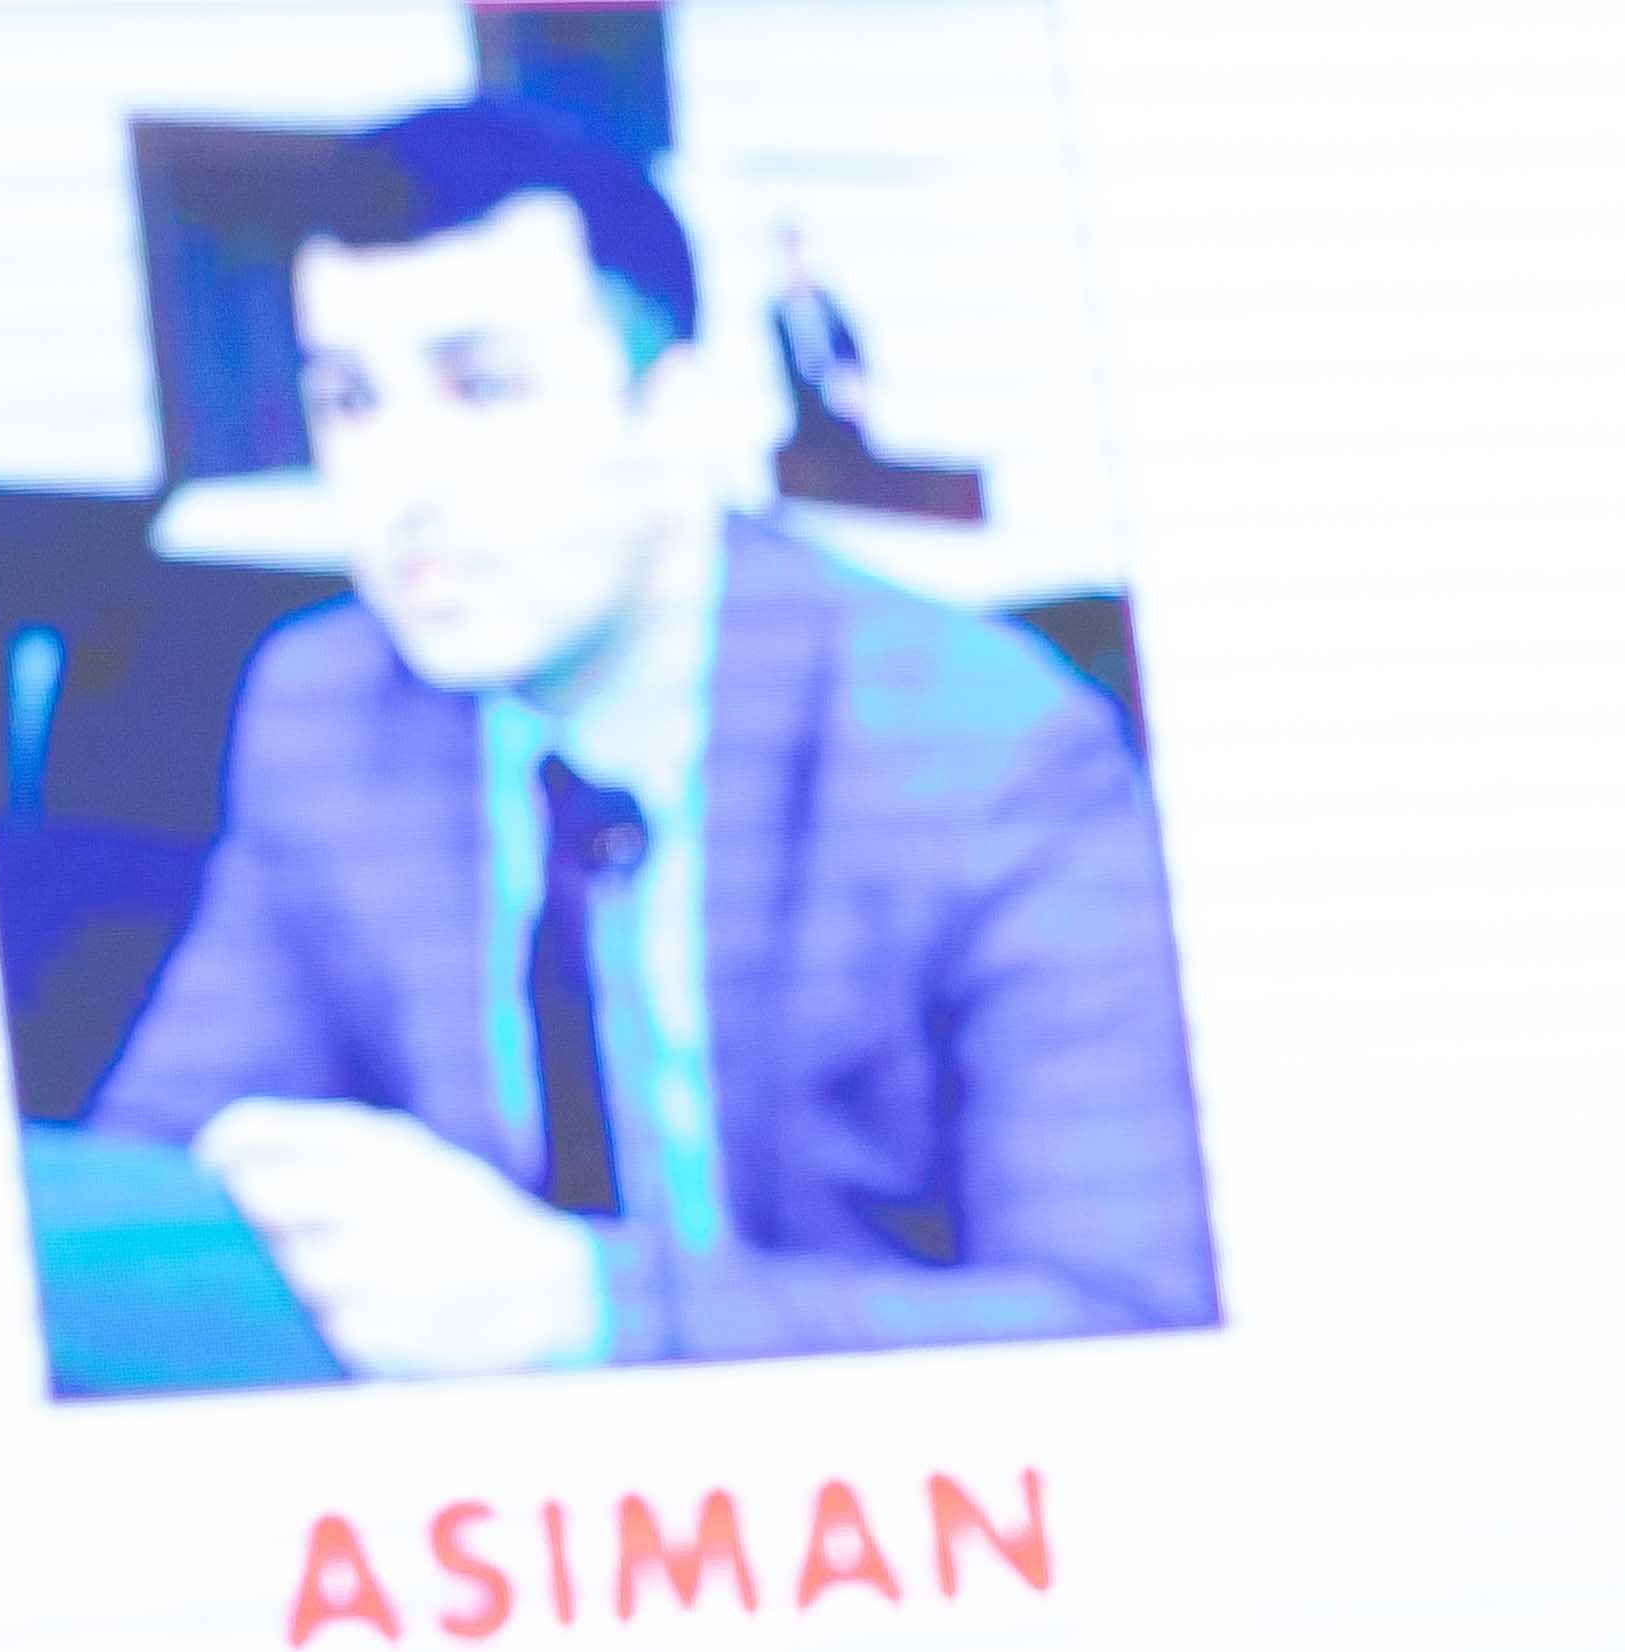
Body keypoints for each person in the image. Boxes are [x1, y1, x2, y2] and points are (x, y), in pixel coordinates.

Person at [87, 100, 1211, 1376]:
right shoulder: (327, 710)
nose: (399, 480)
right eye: (349, 399)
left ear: (674, 416)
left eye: (483, 387)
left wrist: (599, 1312)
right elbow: (144, 1184)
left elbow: (1131, 1314)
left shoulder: (982, 750)